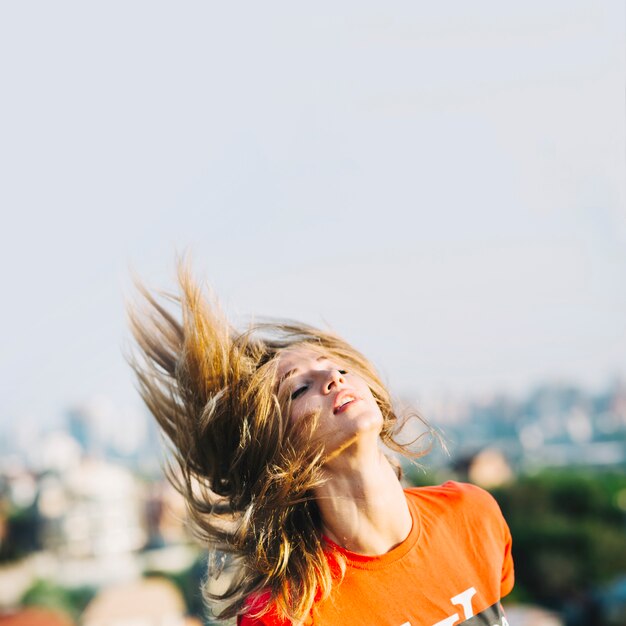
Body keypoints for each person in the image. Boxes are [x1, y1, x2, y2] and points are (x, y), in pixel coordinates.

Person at [128, 264, 514, 626]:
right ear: (279, 451)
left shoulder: (473, 515)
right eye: (299, 388)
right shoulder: (285, 615)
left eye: (340, 367)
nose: (332, 376)